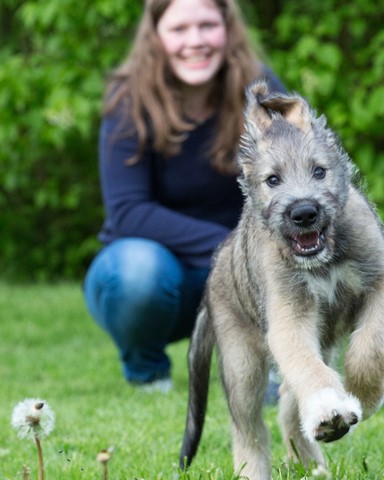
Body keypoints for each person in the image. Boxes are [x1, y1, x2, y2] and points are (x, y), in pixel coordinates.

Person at [83, 0, 286, 392]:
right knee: (137, 272)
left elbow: (292, 183)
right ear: (156, 36)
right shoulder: (128, 100)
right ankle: (148, 374)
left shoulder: (261, 91)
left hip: (246, 277)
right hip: (160, 277)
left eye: (207, 25)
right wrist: (232, 246)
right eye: (179, 29)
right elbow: (128, 212)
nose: (195, 41)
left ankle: (275, 366)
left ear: (228, 27)